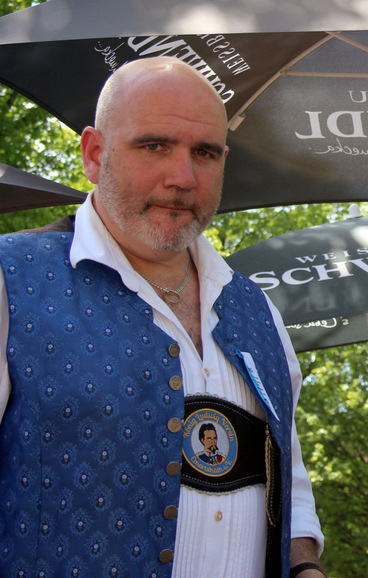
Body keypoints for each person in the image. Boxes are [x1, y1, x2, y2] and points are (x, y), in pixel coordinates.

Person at [0, 57, 326, 578]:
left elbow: (288, 479)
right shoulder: (12, 281)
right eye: (154, 146)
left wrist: (306, 568)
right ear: (94, 153)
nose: (183, 177)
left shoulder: (257, 309)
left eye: (205, 153)